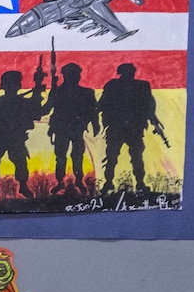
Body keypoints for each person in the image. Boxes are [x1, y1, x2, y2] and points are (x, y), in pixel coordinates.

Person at [96, 61, 164, 198]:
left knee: (135, 157)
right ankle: (109, 182)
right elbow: (102, 104)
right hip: (117, 127)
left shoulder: (141, 86)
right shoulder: (113, 86)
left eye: (130, 73)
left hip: (133, 128)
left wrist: (154, 121)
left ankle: (139, 183)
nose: (129, 75)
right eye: (127, 73)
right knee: (112, 157)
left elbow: (149, 106)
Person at [0, 65, 47, 202]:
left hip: (15, 138)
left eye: (14, 84)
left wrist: (37, 92)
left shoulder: (22, 102)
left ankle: (23, 186)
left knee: (21, 163)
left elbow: (37, 113)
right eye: (9, 84)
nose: (12, 87)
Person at [45, 62, 96, 195]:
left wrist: (95, 124)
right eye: (70, 74)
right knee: (61, 156)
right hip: (61, 128)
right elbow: (46, 109)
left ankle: (79, 180)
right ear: (65, 76)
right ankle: (60, 182)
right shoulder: (57, 91)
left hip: (77, 128)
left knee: (77, 155)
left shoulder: (86, 93)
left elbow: (92, 111)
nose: (74, 77)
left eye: (75, 74)